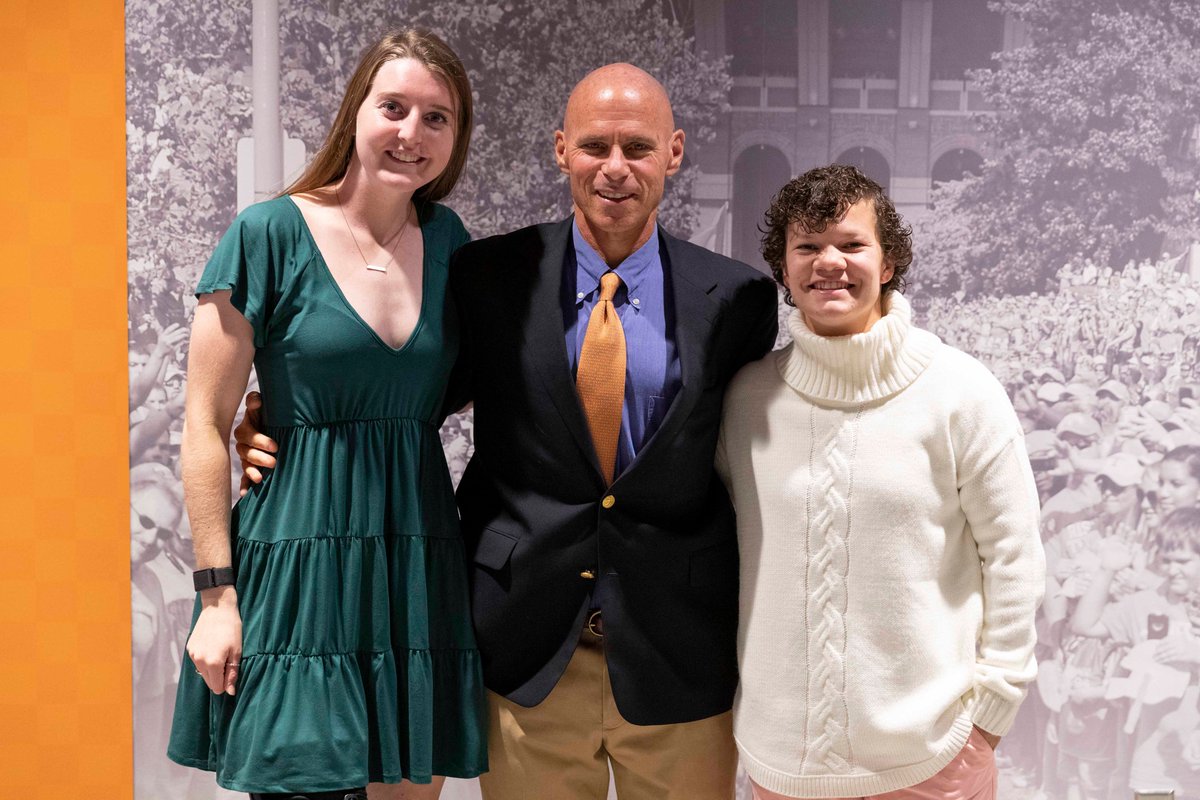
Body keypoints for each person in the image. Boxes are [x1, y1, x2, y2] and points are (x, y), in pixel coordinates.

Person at [239, 63, 778, 799]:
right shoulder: (487, 276)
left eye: (638, 148)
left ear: (674, 153)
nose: (615, 167)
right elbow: (409, 396)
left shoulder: (739, 298)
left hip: (677, 656)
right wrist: (281, 420)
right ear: (561, 150)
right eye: (594, 146)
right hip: (525, 649)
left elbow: (765, 437)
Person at [166, 29, 486, 800]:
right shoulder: (268, 234)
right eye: (394, 107)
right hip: (297, 558)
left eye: (436, 118)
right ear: (356, 112)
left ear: (456, 138)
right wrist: (216, 598)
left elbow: (440, 391)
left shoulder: (451, 243)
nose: (412, 133)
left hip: (413, 562)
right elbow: (204, 426)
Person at [715, 165, 1045, 800]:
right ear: (783, 268)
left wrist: (991, 712)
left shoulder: (960, 390)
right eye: (807, 246)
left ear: (888, 261)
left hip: (933, 760)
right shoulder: (746, 398)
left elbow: (1015, 555)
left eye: (851, 244)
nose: (829, 262)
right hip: (782, 766)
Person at [1071, 507, 1200, 800]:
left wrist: (1195, 654)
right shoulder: (1146, 603)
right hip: (1154, 762)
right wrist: (1107, 569)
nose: (1172, 569)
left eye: (1183, 561)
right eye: (1167, 560)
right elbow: (1085, 625)